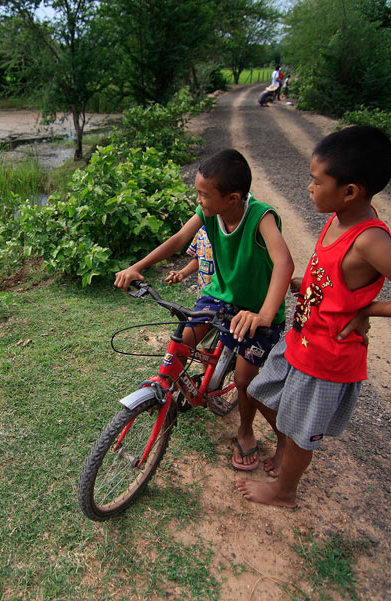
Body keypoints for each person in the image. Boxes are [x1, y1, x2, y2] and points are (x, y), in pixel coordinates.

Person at [235, 126, 391, 508]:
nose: (309, 187)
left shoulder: (371, 240)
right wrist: (310, 285)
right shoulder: (339, 215)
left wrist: (370, 309)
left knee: (303, 432)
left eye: (316, 180)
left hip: (326, 360)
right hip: (301, 340)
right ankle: (285, 456)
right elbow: (339, 278)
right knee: (261, 392)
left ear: (350, 190)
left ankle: (284, 492)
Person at [115, 149, 294, 471]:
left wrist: (265, 314)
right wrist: (137, 267)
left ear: (233, 198)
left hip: (256, 309)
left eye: (203, 194)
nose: (198, 199)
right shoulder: (210, 212)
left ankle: (246, 430)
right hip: (219, 295)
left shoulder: (261, 217)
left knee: (244, 381)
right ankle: (175, 392)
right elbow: (180, 238)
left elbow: (284, 262)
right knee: (184, 339)